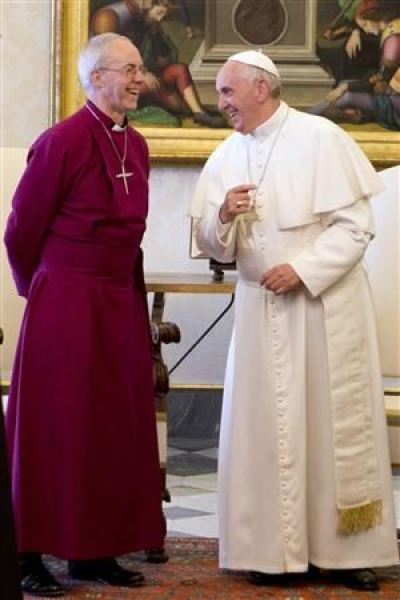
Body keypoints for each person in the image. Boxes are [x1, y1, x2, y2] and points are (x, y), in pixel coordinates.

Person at [189, 49, 399, 591]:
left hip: (323, 308)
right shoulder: (227, 154)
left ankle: (344, 556)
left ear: (262, 87)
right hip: (261, 311)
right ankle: (270, 552)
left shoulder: (322, 139)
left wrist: (302, 270)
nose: (222, 104)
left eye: (229, 92)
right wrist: (222, 216)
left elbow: (356, 228)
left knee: (330, 431)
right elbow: (211, 245)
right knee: (263, 433)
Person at [4, 32, 165, 597]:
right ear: (96, 78)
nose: (140, 78)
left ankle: (93, 552)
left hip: (116, 300)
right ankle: (25, 554)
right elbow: (20, 232)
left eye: (140, 68)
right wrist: (44, 293)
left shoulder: (137, 145)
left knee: (109, 426)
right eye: (129, 68)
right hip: (67, 303)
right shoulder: (61, 142)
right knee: (56, 426)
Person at [91, 0, 226, 127]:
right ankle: (183, 107)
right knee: (173, 102)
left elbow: (164, 62)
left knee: (179, 69)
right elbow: (105, 59)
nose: (160, 17)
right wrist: (141, 73)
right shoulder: (109, 17)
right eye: (158, 9)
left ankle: (198, 113)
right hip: (116, 82)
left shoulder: (145, 18)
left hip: (140, 76)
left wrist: (154, 32)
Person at [312, 0, 400, 129]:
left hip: (395, 104)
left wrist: (346, 87)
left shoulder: (393, 39)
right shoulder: (392, 28)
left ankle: (306, 118)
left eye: (365, 25)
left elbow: (383, 78)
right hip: (391, 93)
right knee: (346, 87)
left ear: (374, 17)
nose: (366, 30)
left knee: (347, 96)